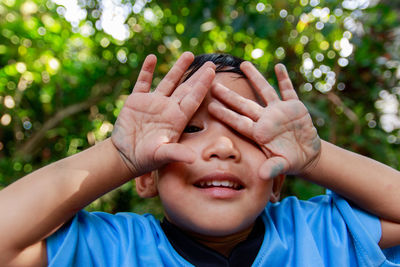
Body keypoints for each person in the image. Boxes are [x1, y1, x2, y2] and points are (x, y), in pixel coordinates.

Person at [1, 52, 400, 266]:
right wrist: (118, 155)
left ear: (279, 179)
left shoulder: (320, 234)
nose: (223, 148)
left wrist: (315, 159)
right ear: (146, 176)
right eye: (190, 129)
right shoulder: (111, 249)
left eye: (246, 133)